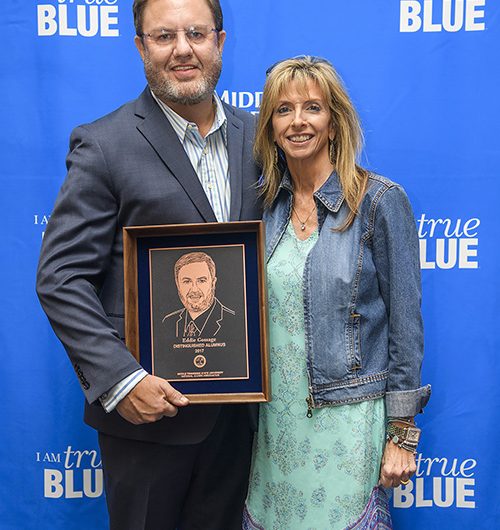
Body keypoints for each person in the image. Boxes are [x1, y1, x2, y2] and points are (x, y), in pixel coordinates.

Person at [36, 0, 261, 528]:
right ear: (141, 47)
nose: (183, 49)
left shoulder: (260, 138)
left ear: (220, 42)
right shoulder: (104, 144)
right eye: (164, 37)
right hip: (147, 418)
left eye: (196, 34)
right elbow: (61, 277)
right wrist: (121, 381)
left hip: (244, 419)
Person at [243, 56, 431, 529]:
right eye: (283, 110)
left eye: (313, 107)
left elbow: (405, 328)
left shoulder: (379, 202)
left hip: (348, 422)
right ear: (270, 128)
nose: (298, 121)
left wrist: (401, 434)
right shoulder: (262, 208)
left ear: (334, 122)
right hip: (272, 426)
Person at [163, 251, 235, 338]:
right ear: (178, 285)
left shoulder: (233, 321)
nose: (194, 289)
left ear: (213, 283)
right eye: (187, 281)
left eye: (201, 281)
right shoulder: (167, 322)